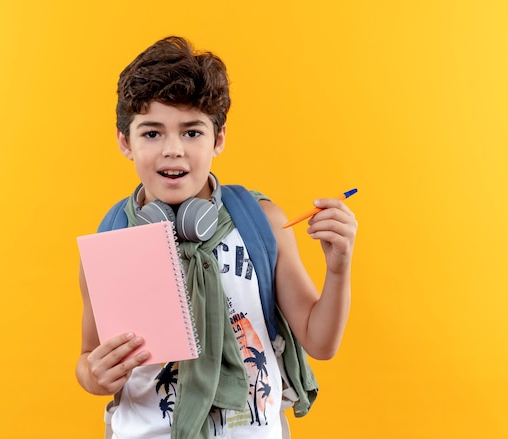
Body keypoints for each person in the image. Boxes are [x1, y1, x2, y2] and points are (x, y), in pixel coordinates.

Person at [76, 36, 358, 439]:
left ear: (218, 138)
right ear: (125, 141)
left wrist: (339, 267)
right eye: (152, 133)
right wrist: (94, 374)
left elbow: (320, 342)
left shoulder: (260, 221)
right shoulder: (113, 239)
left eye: (192, 133)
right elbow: (88, 359)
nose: (173, 150)